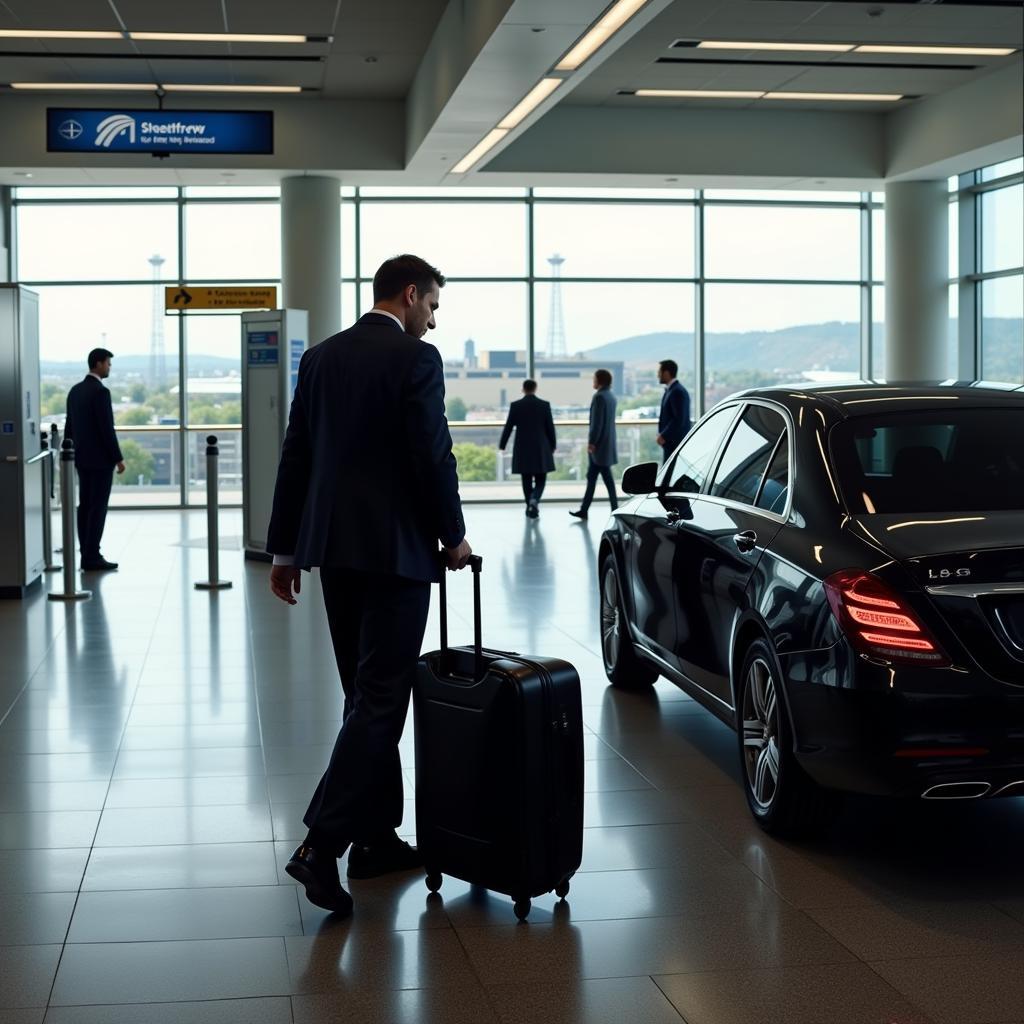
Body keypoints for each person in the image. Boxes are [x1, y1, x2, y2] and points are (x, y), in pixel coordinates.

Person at [266, 254, 472, 919]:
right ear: (410, 296)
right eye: (433, 307)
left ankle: (377, 839)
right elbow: (431, 452)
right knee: (382, 701)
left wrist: (286, 550)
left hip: (334, 553)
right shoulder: (416, 360)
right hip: (395, 555)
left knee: (364, 696)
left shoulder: (322, 358)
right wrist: (453, 536)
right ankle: (321, 844)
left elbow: (296, 453)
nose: (433, 322)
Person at [64, 348, 125, 571]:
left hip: (80, 458)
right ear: (98, 364)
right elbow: (106, 429)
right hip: (100, 461)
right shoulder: (100, 392)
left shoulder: (75, 391)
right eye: (108, 363)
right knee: (98, 508)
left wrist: (68, 453)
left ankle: (85, 553)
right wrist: (118, 458)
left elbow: (70, 425)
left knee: (85, 506)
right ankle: (92, 556)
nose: (109, 367)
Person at [499, 379, 557, 518]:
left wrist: (503, 445)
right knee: (541, 478)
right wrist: (553, 445)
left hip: (522, 447)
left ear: (523, 389)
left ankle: (529, 507)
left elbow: (508, 427)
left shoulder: (516, 405)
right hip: (541, 447)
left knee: (526, 478)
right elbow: (550, 427)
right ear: (535, 388)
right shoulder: (544, 405)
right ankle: (534, 500)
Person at [570, 369, 618, 521]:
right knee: (596, 478)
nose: (593, 381)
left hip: (598, 447)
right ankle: (586, 509)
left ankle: (591, 510)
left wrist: (592, 442)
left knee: (601, 479)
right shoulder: (611, 396)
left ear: (600, 381)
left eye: (594, 379)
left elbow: (596, 424)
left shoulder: (599, 397)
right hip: (607, 444)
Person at [656, 359, 691, 463]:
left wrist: (663, 435)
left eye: (659, 372)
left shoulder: (677, 392)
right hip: (671, 442)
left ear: (666, 373)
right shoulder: (672, 390)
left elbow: (679, 419)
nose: (658, 375)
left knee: (670, 474)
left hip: (674, 442)